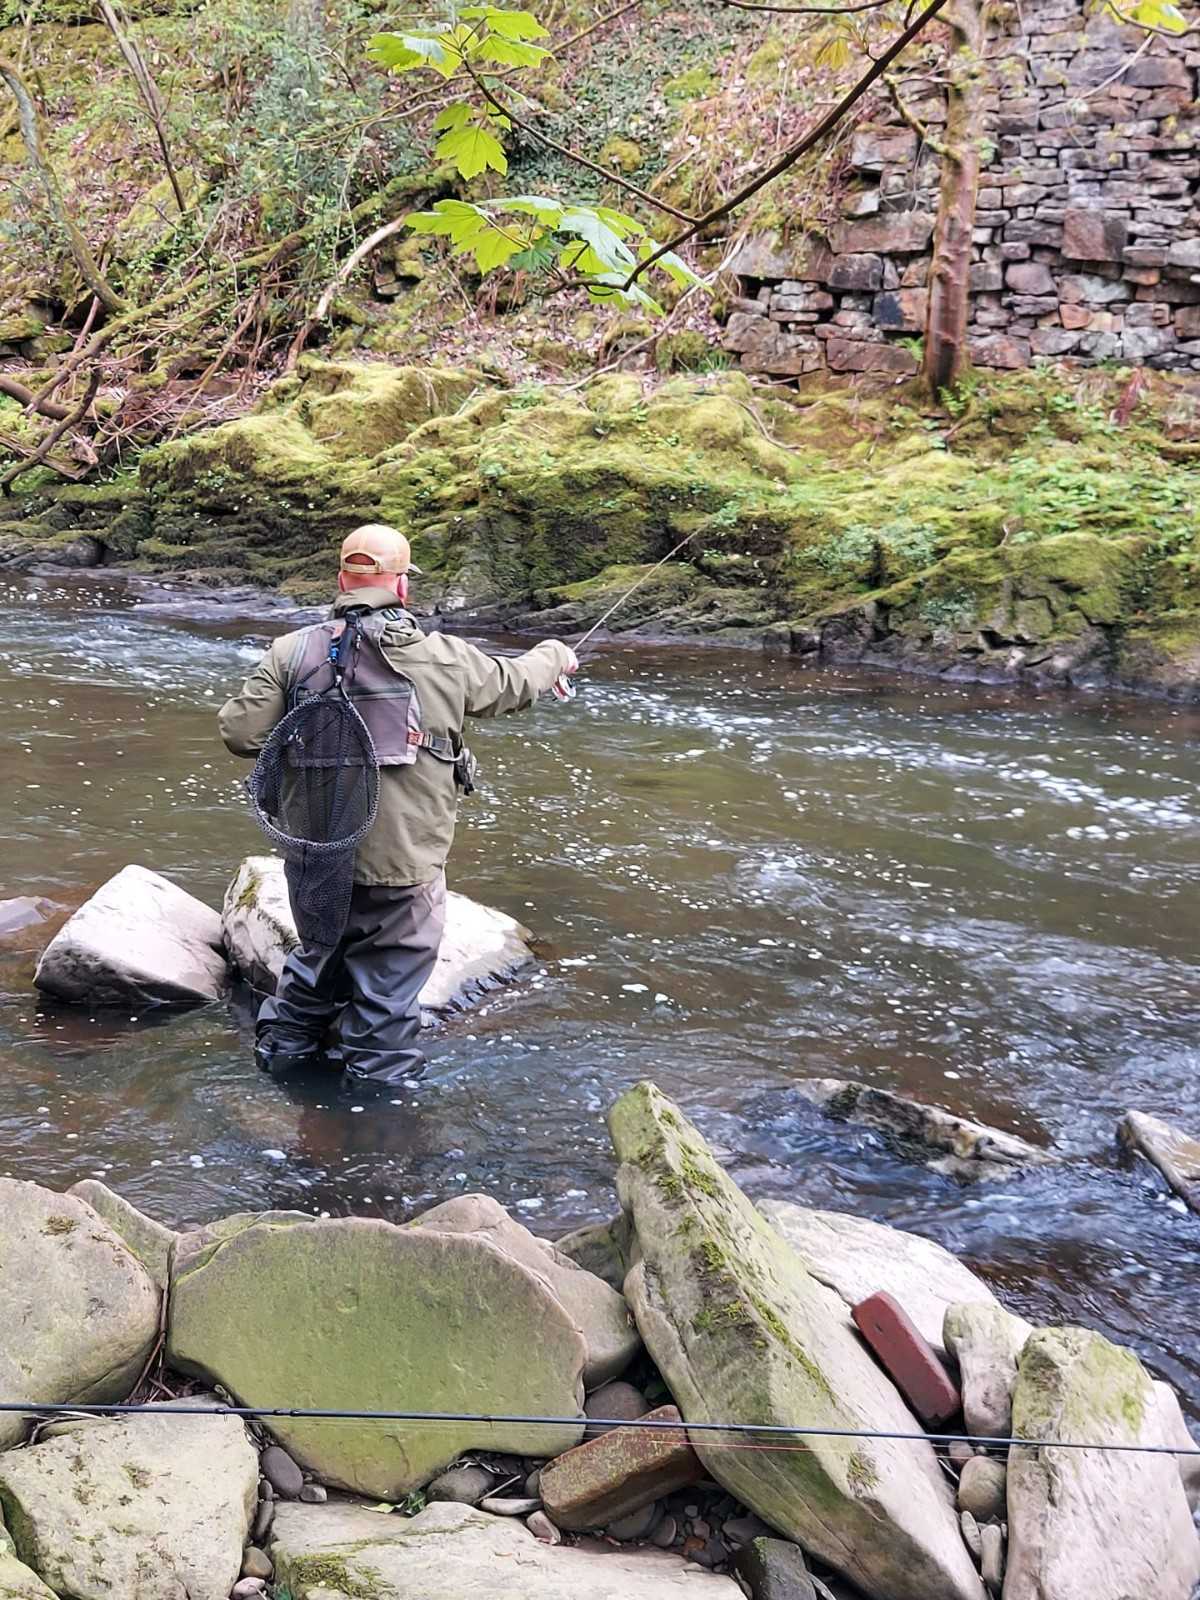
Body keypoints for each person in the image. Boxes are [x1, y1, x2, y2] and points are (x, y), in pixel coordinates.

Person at [218, 523, 577, 1086]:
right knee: (385, 1004)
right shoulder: (447, 658)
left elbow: (240, 733)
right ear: (402, 585)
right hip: (404, 867)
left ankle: (280, 1079)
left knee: (314, 964)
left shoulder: (292, 652)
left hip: (317, 854)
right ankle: (373, 1133)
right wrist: (556, 654)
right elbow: (516, 683)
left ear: (342, 578)